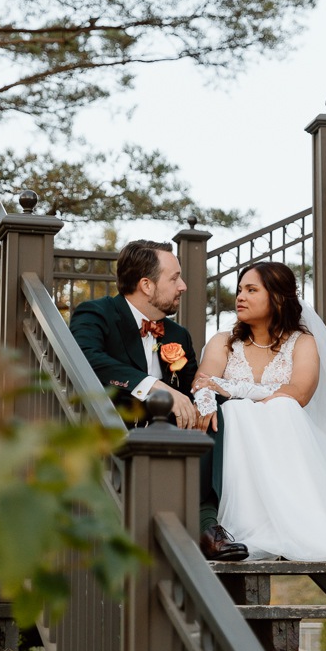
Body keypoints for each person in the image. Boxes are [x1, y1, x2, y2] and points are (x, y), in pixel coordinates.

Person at [192, 261, 326, 575]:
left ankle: (287, 517)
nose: (240, 298)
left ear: (277, 298)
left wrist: (230, 388)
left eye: (251, 290)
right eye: (239, 290)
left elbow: (298, 393)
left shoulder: (302, 343)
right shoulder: (223, 341)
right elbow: (203, 382)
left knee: (280, 407)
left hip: (284, 442)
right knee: (237, 410)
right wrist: (208, 398)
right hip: (233, 442)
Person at [69, 239, 249, 562]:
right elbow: (87, 360)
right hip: (116, 428)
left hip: (171, 432)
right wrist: (154, 387)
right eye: (174, 278)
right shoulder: (96, 314)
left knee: (217, 411)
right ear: (146, 285)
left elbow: (193, 383)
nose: (183, 286)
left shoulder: (178, 335)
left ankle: (207, 525)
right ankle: (196, 524)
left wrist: (203, 400)